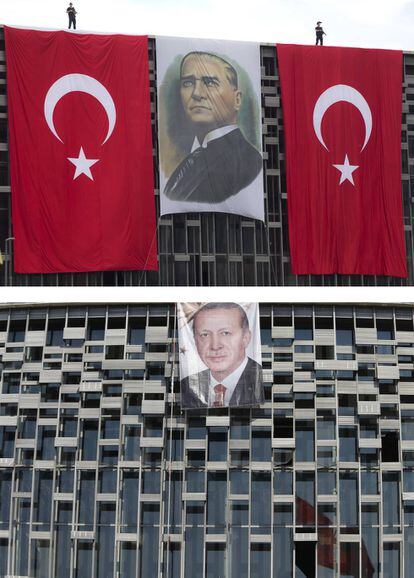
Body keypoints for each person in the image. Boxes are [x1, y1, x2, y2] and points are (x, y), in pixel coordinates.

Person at [163, 52, 262, 204]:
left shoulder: (249, 161)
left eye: (210, 83)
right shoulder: (192, 158)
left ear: (237, 99)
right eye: (188, 83)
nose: (197, 94)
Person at [180, 302, 263, 408]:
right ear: (195, 341)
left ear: (245, 338)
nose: (215, 346)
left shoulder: (258, 378)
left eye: (225, 333)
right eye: (204, 335)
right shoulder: (187, 385)